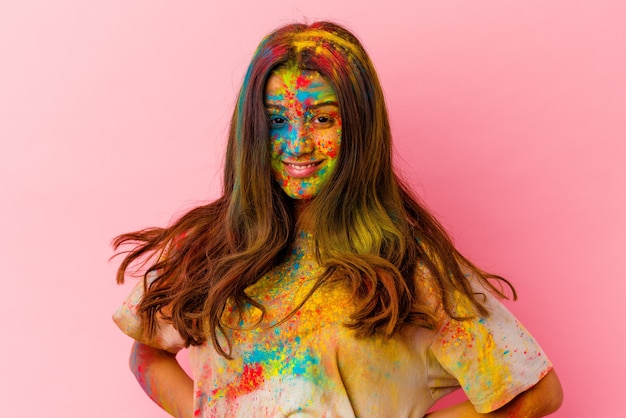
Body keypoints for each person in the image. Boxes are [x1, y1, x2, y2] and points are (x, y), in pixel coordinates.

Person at [112, 21, 563, 417]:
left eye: (322, 119)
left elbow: (536, 392)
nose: (298, 144)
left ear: (360, 128)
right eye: (276, 121)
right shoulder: (210, 245)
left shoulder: (407, 265)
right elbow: (146, 354)